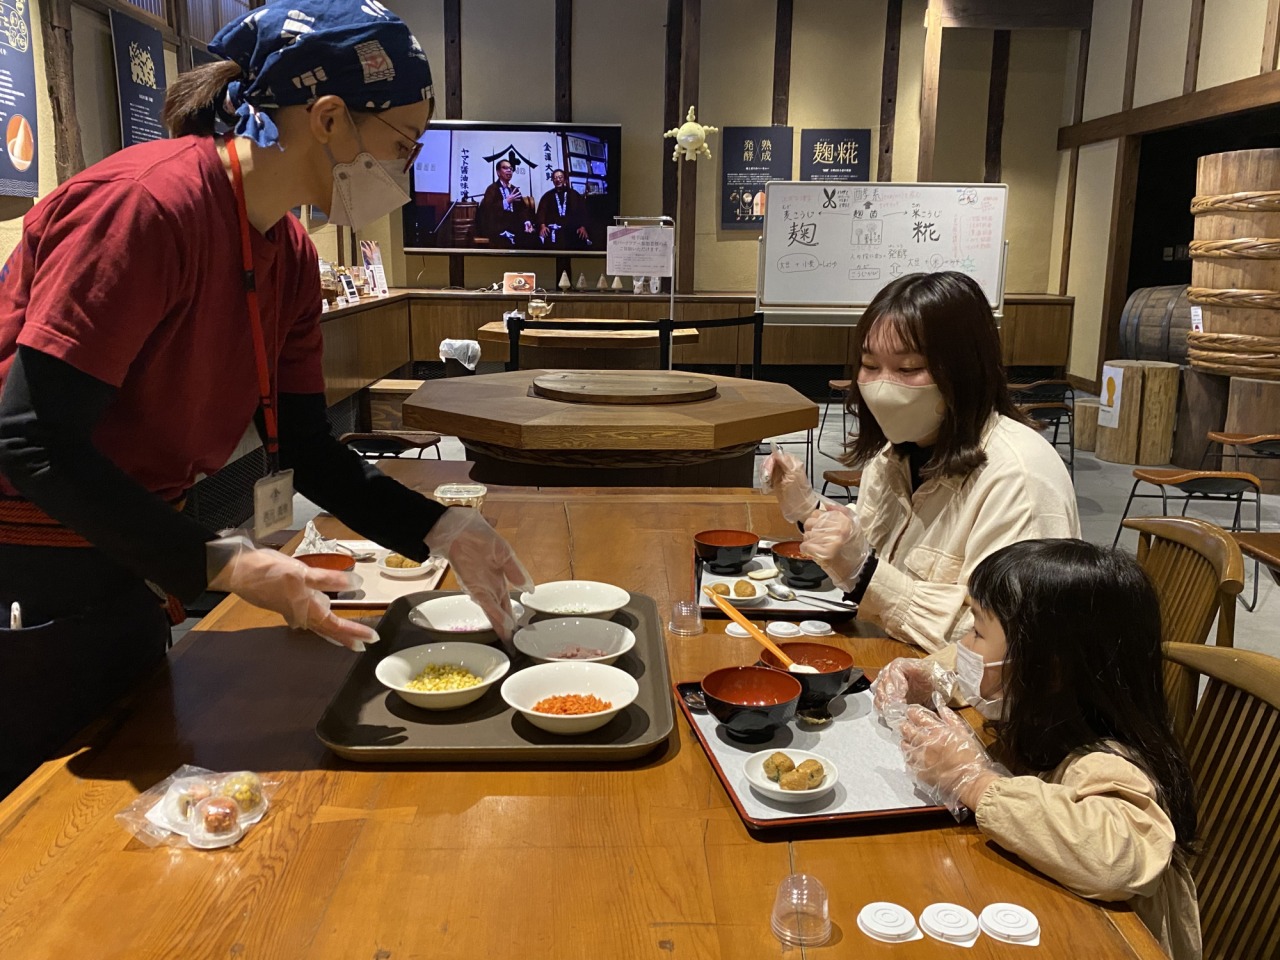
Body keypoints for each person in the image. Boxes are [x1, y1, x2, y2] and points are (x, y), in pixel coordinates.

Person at [0, 1, 530, 797]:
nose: (406, 168)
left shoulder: (287, 252)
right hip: (31, 562)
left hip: (131, 550)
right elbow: (33, 438)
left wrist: (440, 527)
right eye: (403, 144)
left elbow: (308, 448)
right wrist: (228, 561)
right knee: (40, 811)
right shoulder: (147, 205)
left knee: (140, 761)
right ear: (328, 118)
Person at [878, 539, 1200, 960]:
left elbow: (1120, 857)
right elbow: (979, 666)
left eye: (977, 631)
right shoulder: (1048, 705)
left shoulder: (1106, 759)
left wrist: (972, 781)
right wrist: (931, 677)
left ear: (1048, 670)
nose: (965, 644)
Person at [761, 271, 1080, 652]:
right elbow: (868, 546)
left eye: (908, 369)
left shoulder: (1019, 477)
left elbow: (1006, 643)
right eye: (870, 365)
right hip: (889, 657)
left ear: (964, 369)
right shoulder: (895, 453)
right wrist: (808, 509)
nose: (882, 387)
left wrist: (865, 573)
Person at [474, 159, 535, 246]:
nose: (509, 170)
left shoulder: (514, 189)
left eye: (510, 168)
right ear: (498, 172)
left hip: (514, 226)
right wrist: (506, 202)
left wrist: (527, 222)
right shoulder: (492, 189)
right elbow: (488, 211)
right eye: (505, 168)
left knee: (533, 237)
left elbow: (522, 209)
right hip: (498, 226)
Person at [535, 169, 589, 248]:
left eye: (560, 177)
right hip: (553, 229)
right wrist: (542, 226)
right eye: (555, 178)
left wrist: (583, 227)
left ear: (565, 180)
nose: (558, 180)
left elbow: (583, 211)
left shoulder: (574, 194)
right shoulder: (547, 196)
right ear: (553, 180)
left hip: (572, 229)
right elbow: (541, 212)